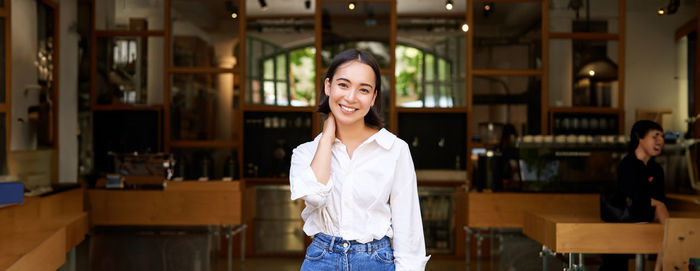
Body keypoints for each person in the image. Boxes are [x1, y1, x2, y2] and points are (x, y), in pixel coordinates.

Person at [289, 49, 430, 271]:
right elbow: (314, 196)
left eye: (363, 89)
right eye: (343, 85)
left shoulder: (394, 150)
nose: (351, 97)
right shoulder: (305, 153)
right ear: (328, 86)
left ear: (373, 97)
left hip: (376, 260)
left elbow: (408, 227)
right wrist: (327, 137)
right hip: (321, 259)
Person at [600, 120, 669, 271]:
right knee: (664, 217)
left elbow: (658, 199)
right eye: (655, 136)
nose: (661, 141)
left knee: (663, 216)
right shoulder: (627, 165)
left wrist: (655, 203)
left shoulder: (657, 169)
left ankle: (660, 264)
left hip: (648, 220)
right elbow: (635, 198)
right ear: (639, 138)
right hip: (624, 222)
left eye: (662, 137)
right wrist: (655, 203)